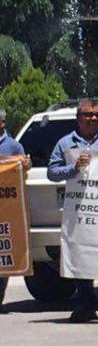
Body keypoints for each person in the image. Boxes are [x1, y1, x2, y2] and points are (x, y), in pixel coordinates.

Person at [47, 99, 98, 323]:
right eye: (88, 115)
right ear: (78, 118)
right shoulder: (65, 143)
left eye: (96, 114)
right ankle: (85, 305)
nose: (93, 118)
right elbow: (52, 172)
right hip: (80, 212)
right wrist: (73, 168)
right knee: (82, 255)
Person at [0, 108, 31, 315]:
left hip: (6, 210)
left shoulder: (13, 146)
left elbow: (22, 171)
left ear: (2, 123)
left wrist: (25, 165)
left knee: (3, 255)